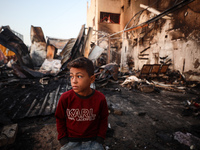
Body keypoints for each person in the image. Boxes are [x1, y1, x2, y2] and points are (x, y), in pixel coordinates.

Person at [55, 57, 109, 150]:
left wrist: (100, 139)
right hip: (71, 141)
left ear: (91, 79)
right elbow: (59, 118)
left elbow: (104, 119)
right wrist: (63, 139)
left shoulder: (100, 98)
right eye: (72, 76)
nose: (74, 80)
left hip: (93, 141)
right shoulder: (65, 98)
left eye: (79, 76)